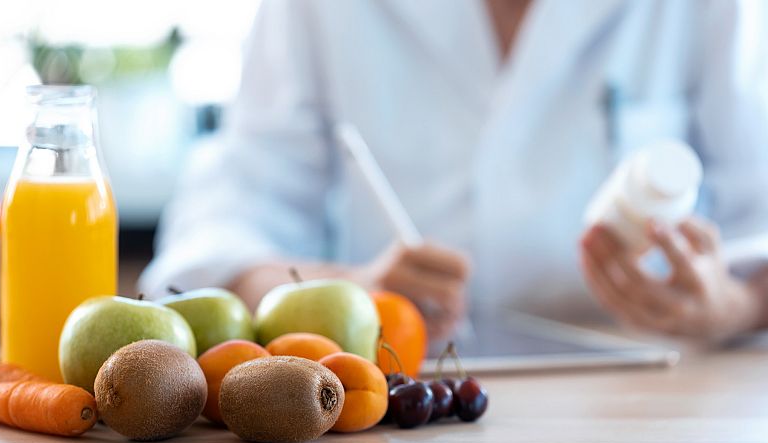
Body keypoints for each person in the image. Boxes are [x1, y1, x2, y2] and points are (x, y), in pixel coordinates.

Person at [140, 0, 768, 344]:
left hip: (654, 399)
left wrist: (732, 306)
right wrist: (346, 287)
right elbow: (222, 229)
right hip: (400, 395)